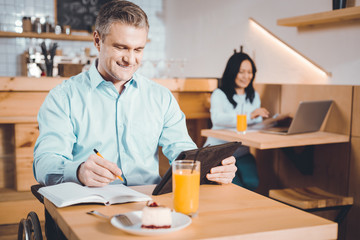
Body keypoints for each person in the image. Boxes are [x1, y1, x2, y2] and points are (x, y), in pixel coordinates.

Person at [33, 0, 236, 188]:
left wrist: (212, 168)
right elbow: (45, 162)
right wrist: (78, 171)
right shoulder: (63, 97)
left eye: (138, 49)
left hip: (149, 203)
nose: (130, 60)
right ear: (97, 40)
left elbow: (183, 152)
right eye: (121, 47)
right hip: (89, 203)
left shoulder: (161, 98)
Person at [204, 50, 269, 190]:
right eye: (241, 72)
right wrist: (250, 115)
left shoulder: (253, 95)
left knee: (252, 183)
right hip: (219, 151)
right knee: (233, 188)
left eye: (250, 72)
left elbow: (256, 124)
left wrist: (274, 120)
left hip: (242, 152)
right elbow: (217, 119)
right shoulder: (219, 94)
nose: (246, 76)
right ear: (232, 72)